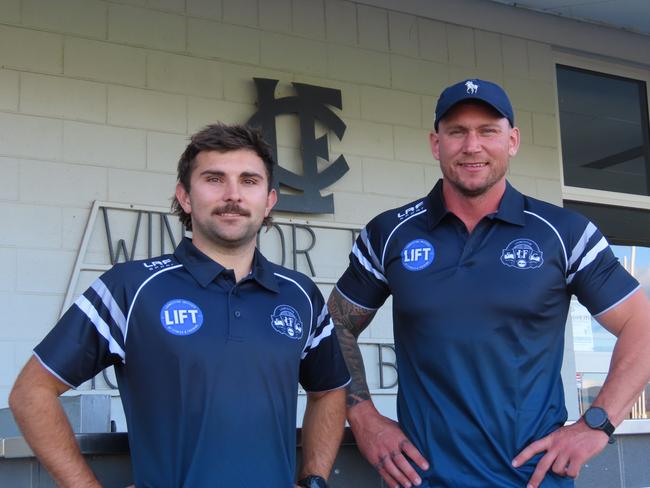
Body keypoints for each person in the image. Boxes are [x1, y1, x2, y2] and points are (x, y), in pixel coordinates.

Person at [328, 79, 650, 488]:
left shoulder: (564, 233)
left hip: (532, 479)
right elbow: (334, 324)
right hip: (422, 479)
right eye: (457, 132)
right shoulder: (390, 234)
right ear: (435, 144)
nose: (472, 146)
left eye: (488, 131)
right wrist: (362, 416)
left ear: (512, 140)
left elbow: (642, 325)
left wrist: (597, 423)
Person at [9, 123, 350, 488]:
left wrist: (314, 479)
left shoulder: (299, 294)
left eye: (249, 181)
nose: (233, 195)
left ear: (269, 201)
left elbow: (328, 390)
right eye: (214, 179)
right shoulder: (132, 287)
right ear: (185, 197)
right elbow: (31, 392)